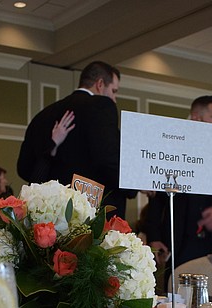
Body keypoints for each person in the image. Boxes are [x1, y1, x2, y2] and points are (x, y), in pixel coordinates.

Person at [142, 95, 212, 268]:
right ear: (196, 117)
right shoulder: (172, 152)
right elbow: (158, 198)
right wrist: (154, 237)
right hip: (180, 245)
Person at [16, 61, 135, 218]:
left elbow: (24, 168)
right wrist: (132, 187)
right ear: (100, 84)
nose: (114, 98)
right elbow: (107, 159)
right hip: (90, 215)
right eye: (113, 91)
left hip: (48, 216)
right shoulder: (101, 106)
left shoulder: (43, 115)